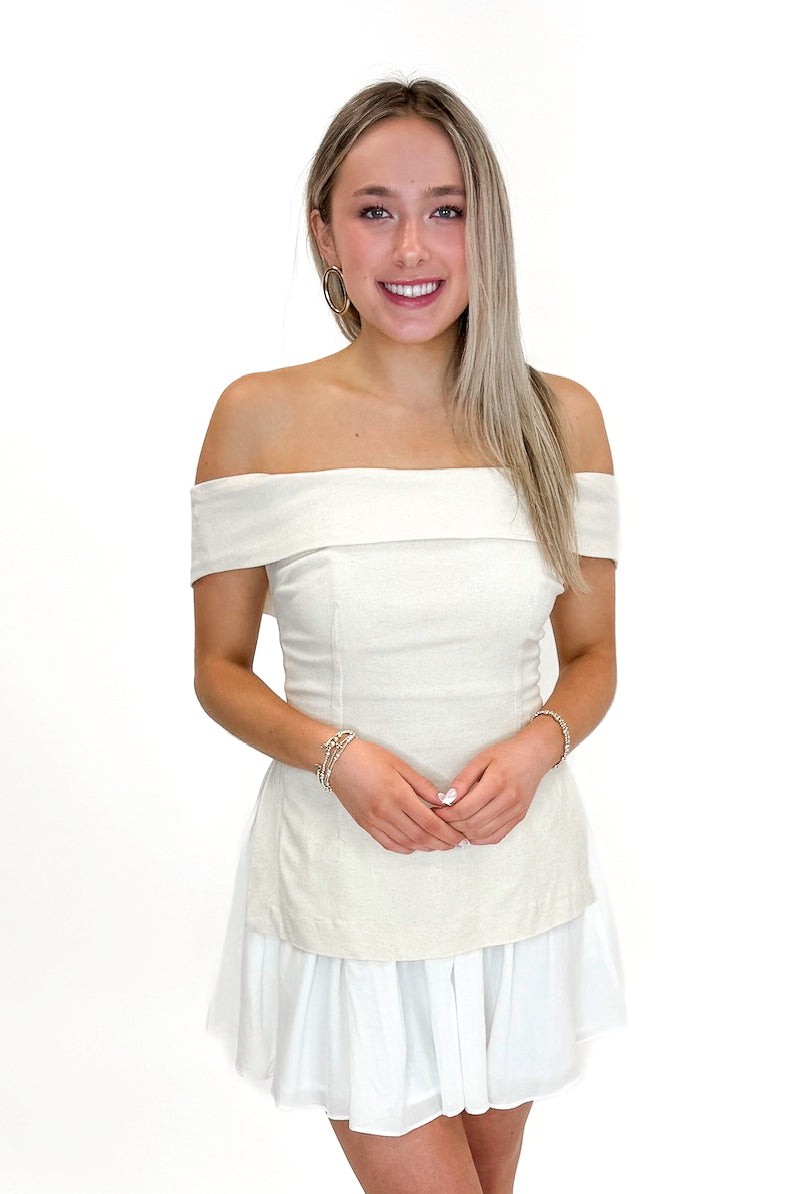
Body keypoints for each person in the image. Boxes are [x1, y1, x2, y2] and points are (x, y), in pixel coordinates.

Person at [190, 75, 627, 1194]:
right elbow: (219, 672)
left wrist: (535, 749)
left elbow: (592, 659)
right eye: (374, 209)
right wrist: (337, 757)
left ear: (486, 226)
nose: (411, 245)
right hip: (346, 885)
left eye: (445, 207)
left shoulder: (556, 416)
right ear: (323, 235)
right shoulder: (258, 418)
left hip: (511, 878)